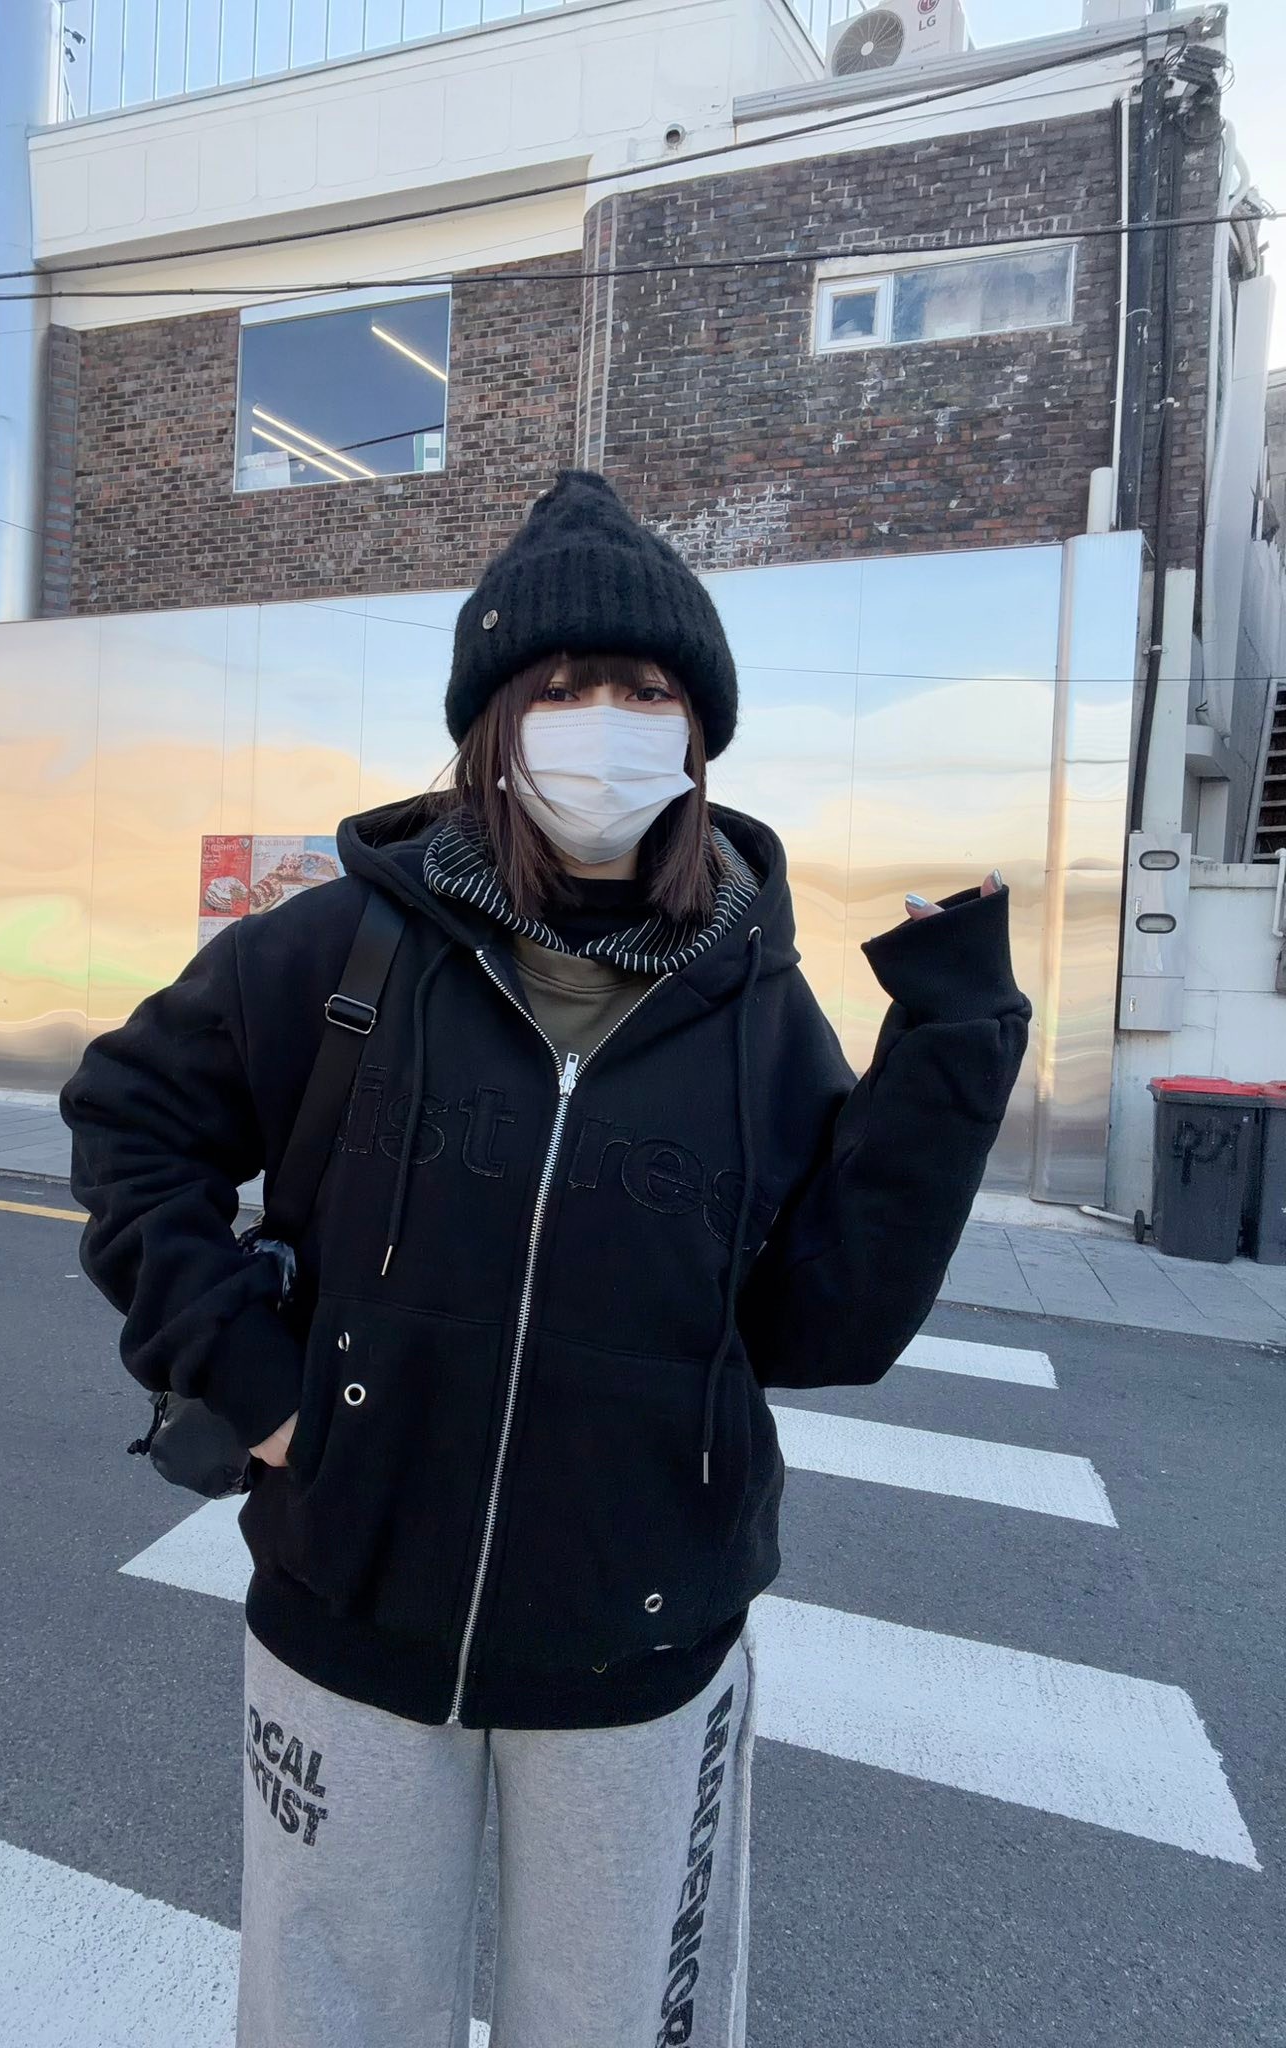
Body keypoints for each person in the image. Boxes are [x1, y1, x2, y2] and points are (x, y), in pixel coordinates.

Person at [61, 470, 1030, 2048]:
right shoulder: (341, 948)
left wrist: (955, 1036)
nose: (606, 722)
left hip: (642, 1646)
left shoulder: (753, 1003)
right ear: (492, 728)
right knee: (329, 2022)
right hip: (350, 1609)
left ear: (698, 737)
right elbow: (130, 1121)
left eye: (646, 691)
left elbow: (826, 1324)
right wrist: (249, 1379)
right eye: (563, 686)